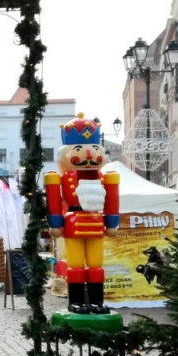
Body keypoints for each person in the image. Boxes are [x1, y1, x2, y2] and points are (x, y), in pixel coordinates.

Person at [44, 112, 120, 314]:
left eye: (95, 149)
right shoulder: (61, 177)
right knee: (76, 266)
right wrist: (55, 223)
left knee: (96, 266)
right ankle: (75, 302)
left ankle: (96, 302)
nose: (89, 155)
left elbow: (112, 202)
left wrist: (111, 223)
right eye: (79, 149)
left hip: (95, 223)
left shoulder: (106, 178)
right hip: (73, 224)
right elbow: (53, 200)